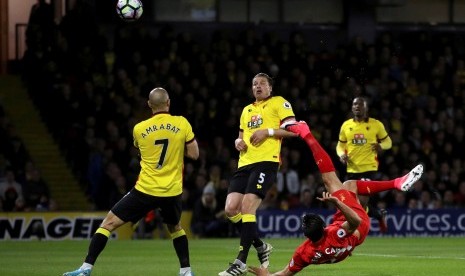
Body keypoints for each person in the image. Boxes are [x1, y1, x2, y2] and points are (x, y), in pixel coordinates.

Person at [248, 120, 423, 276]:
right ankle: (306, 133)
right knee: (330, 180)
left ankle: (382, 198)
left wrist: (267, 275)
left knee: (349, 185)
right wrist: (336, 202)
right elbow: (354, 222)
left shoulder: (304, 253)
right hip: (358, 225)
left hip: (347, 243)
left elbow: (284, 274)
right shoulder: (333, 233)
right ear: (324, 227)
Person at [63, 87, 199, 276]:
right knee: (175, 228)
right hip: (171, 191)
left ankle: (85, 269)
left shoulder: (139, 129)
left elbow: (142, 152)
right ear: (168, 103)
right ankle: (186, 271)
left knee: (108, 224)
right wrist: (177, 149)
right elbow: (194, 154)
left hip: (146, 189)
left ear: (149, 105)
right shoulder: (182, 123)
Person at [219, 73, 298, 276]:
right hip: (244, 163)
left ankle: (240, 262)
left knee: (247, 207)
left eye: (262, 83)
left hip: (266, 162)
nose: (258, 86)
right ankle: (261, 246)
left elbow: (294, 130)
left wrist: (268, 132)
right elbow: (240, 137)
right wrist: (237, 142)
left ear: (270, 87)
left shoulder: (279, 103)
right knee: (230, 209)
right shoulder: (246, 110)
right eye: (254, 84)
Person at [336, 97, 392, 233]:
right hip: (351, 170)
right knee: (351, 204)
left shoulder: (376, 124)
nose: (357, 106)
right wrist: (341, 155)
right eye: (355, 104)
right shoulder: (346, 125)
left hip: (368, 168)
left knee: (360, 202)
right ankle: (378, 214)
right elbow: (340, 146)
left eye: (360, 104)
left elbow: (388, 142)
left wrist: (380, 145)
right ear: (352, 107)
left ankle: (355, 234)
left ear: (366, 108)